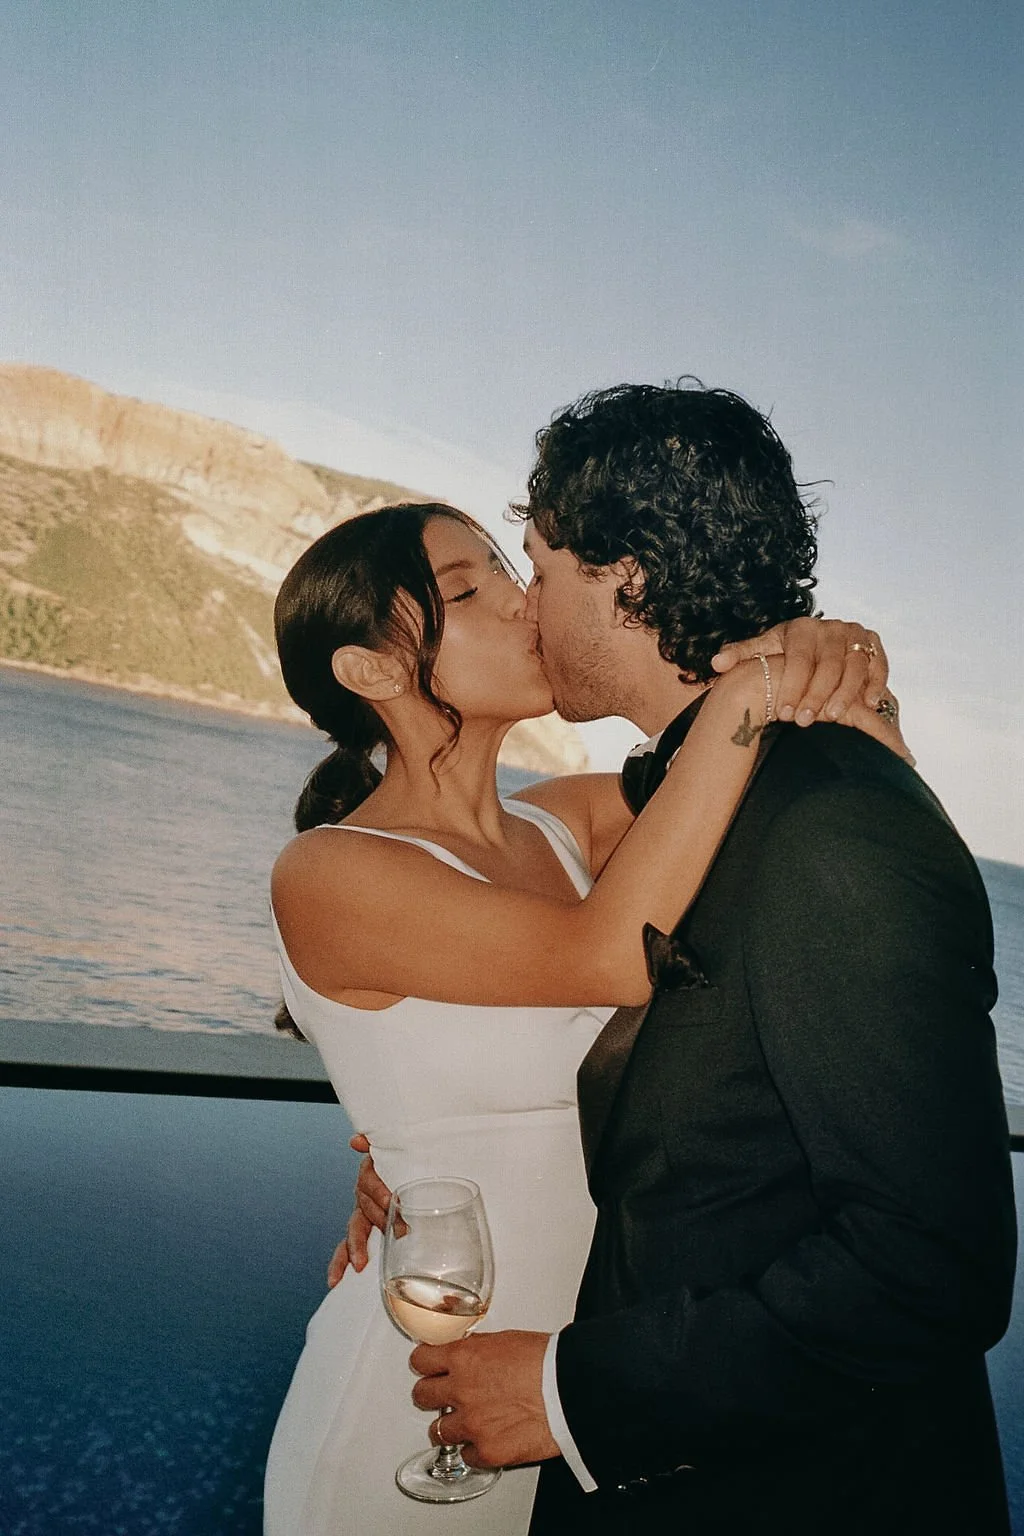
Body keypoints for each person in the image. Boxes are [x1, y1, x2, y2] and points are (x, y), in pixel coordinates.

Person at [345, 385, 1017, 1535]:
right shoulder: (691, 798)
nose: (527, 607)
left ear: (627, 578)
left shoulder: (832, 827)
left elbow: (928, 1265)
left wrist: (570, 1395)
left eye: (538, 569)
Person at [262, 484, 904, 1535]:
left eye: (508, 570)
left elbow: (782, 795)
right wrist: (756, 687)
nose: (521, 601)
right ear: (372, 671)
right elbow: (609, 956)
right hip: (421, 1402)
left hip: (584, 1394)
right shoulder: (329, 872)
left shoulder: (573, 823)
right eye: (467, 589)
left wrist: (841, 666)